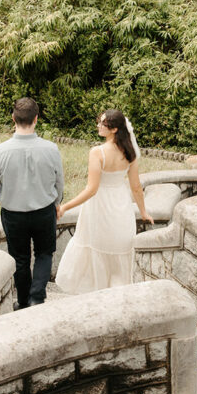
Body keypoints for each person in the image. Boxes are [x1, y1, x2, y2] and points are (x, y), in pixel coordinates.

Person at [55, 109, 153, 293]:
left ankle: (94, 292)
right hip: (121, 206)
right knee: (118, 248)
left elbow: (91, 190)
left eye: (102, 124)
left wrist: (65, 206)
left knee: (96, 246)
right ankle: (116, 293)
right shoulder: (130, 152)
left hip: (99, 206)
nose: (98, 126)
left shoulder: (97, 152)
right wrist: (143, 212)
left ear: (114, 129)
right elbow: (136, 187)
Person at [0, 97, 64, 309]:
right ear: (36, 119)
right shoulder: (51, 149)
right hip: (44, 211)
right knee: (44, 254)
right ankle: (37, 296)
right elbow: (59, 181)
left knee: (20, 258)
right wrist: (57, 203)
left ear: (13, 118)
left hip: (14, 214)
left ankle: (25, 303)